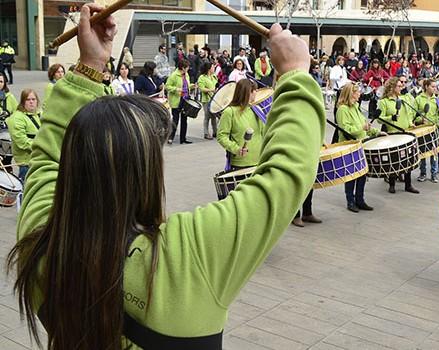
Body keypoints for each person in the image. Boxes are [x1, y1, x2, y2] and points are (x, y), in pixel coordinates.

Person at [7, 5, 323, 348]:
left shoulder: (40, 240)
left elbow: (47, 158)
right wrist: (294, 71)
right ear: (145, 173)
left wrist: (89, 68)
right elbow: (287, 175)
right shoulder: (188, 253)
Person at [336, 83, 382, 212]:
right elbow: (346, 130)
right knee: (352, 175)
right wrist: (361, 128)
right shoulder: (342, 109)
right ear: (351, 93)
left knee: (362, 174)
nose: (359, 94)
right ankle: (350, 201)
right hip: (349, 146)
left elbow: (364, 125)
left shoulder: (356, 107)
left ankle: (360, 200)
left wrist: (377, 133)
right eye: (357, 92)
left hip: (361, 144)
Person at [378, 77, 419, 194]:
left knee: (408, 159)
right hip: (393, 133)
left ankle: (408, 184)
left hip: (405, 132)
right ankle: (392, 184)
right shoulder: (384, 102)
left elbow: (409, 114)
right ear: (392, 87)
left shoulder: (403, 99)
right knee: (394, 159)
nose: (401, 88)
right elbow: (379, 119)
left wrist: (411, 122)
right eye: (399, 86)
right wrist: (391, 118)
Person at [217, 79, 262, 169]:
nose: (256, 92)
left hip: (260, 161)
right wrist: (236, 149)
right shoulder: (229, 112)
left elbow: (264, 132)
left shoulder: (257, 109)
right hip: (240, 164)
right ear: (247, 93)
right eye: (253, 90)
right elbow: (221, 136)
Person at [6, 89, 41, 182]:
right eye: (28, 100)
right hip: (26, 163)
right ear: (23, 102)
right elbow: (22, 141)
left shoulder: (39, 114)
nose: (31, 102)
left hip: (39, 160)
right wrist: (43, 147)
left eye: (33, 99)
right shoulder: (17, 118)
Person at [415, 79, 439, 183]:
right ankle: (422, 173)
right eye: (432, 86)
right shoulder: (418, 99)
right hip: (422, 130)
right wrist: (420, 120)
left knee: (434, 152)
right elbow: (413, 116)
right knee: (422, 153)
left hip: (433, 129)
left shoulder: (437, 100)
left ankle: (434, 174)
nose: (435, 89)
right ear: (426, 86)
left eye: (435, 87)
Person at [165, 59, 195, 144]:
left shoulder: (186, 75)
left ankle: (183, 138)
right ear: (182, 68)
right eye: (187, 67)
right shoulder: (174, 75)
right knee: (175, 120)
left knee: (184, 119)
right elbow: (167, 86)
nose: (188, 69)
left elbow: (187, 85)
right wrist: (177, 89)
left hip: (185, 99)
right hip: (176, 100)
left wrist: (192, 86)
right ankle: (171, 137)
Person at [198, 62, 218, 140]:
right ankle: (206, 133)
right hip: (206, 99)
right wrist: (211, 90)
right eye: (213, 67)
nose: (214, 69)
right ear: (209, 69)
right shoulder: (202, 77)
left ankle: (215, 132)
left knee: (214, 116)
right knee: (207, 116)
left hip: (214, 99)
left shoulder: (214, 76)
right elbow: (201, 88)